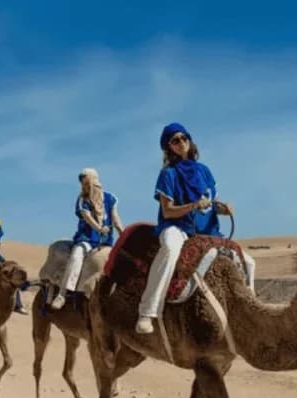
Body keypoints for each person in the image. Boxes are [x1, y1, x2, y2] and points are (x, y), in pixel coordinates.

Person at [135, 122, 255, 334]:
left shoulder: (204, 171)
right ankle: (148, 311)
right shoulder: (168, 174)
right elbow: (167, 211)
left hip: (207, 231)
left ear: (190, 141)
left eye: (184, 138)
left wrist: (223, 208)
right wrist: (192, 205)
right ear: (168, 147)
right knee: (171, 250)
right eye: (175, 140)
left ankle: (250, 308)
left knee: (249, 262)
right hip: (177, 226)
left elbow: (211, 202)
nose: (181, 143)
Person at [50, 167, 123, 310]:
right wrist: (99, 228)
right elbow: (87, 217)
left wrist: (123, 233)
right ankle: (63, 293)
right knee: (77, 256)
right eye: (83, 183)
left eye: (87, 182)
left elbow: (115, 218)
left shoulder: (110, 198)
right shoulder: (82, 199)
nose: (86, 186)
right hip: (87, 239)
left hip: (105, 242)